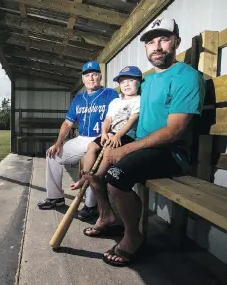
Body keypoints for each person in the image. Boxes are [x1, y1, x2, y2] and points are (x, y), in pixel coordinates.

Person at [81, 18, 205, 267]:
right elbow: (125, 104)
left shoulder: (187, 78)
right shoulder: (146, 81)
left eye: (164, 39)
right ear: (146, 49)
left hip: (170, 152)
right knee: (93, 165)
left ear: (176, 42)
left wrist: (126, 148)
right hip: (141, 144)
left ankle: (132, 236)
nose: (157, 46)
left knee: (115, 176)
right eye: (150, 42)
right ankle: (107, 216)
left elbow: (173, 132)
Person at [37, 61, 119, 221]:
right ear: (83, 79)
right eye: (87, 75)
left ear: (100, 76)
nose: (91, 78)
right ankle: (55, 197)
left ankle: (90, 206)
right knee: (53, 155)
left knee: (91, 166)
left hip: (100, 139)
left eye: (94, 74)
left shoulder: (110, 94)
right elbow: (68, 123)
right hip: (82, 138)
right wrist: (58, 142)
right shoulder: (78, 99)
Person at [70, 66, 143, 196]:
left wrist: (118, 135)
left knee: (108, 150)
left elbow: (131, 121)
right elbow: (108, 120)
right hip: (111, 133)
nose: (126, 84)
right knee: (91, 146)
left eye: (130, 81)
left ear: (138, 82)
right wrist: (104, 133)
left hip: (126, 135)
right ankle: (85, 178)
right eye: (122, 82)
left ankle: (98, 175)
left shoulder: (138, 100)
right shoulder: (115, 101)